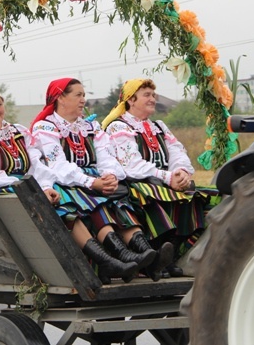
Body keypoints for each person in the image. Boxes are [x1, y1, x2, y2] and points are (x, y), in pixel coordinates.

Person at [31, 78, 169, 284]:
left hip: (93, 180)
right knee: (94, 202)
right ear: (61, 98)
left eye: (83, 95)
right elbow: (58, 166)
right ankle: (118, 257)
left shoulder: (90, 126)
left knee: (119, 199)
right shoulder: (46, 127)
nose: (83, 100)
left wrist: (110, 175)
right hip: (67, 181)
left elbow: (106, 156)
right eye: (78, 95)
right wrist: (90, 182)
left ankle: (144, 254)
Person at [102, 78, 209, 277]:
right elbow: (131, 165)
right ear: (131, 100)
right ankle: (156, 255)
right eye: (147, 95)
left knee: (196, 196)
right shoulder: (119, 127)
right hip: (136, 182)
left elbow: (177, 151)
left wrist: (181, 173)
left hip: (163, 181)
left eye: (153, 95)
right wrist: (168, 178)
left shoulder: (158, 126)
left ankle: (170, 255)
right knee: (155, 192)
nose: (153, 98)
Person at [0, 85, 59, 203]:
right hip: (2, 190)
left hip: (29, 185)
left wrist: (45, 186)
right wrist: (27, 187)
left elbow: (36, 163)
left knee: (60, 192)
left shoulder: (20, 131)